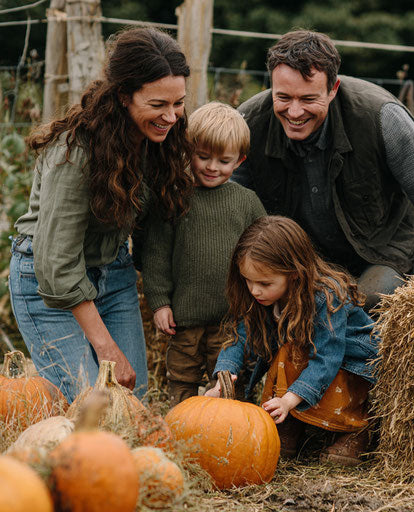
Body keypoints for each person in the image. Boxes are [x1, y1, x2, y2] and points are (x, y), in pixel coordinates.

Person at [8, 27, 194, 403]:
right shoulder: (74, 152)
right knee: (96, 407)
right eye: (158, 104)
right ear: (124, 95)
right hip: (48, 284)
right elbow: (57, 263)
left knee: (133, 406)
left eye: (179, 103)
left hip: (113, 273)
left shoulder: (158, 139)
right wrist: (107, 349)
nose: (172, 116)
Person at [232, 30, 414, 312]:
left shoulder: (382, 118)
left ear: (333, 89)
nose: (294, 112)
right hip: (300, 261)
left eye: (308, 99)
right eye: (283, 97)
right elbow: (229, 206)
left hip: (380, 253)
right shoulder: (248, 124)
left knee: (361, 305)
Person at [206, 216, 379, 464]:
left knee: (292, 348)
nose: (254, 290)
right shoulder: (260, 299)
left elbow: (327, 357)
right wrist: (225, 375)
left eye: (264, 283)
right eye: (248, 280)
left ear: (294, 274)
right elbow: (240, 337)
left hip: (348, 361)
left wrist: (288, 399)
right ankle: (292, 423)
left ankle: (356, 429)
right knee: (288, 349)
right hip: (307, 363)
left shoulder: (326, 297)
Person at [141, 102, 266, 407]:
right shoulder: (175, 198)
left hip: (231, 318)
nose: (212, 167)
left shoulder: (246, 202)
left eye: (224, 161)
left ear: (240, 161)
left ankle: (231, 432)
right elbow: (156, 254)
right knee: (181, 377)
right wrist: (159, 303)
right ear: (188, 151)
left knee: (228, 380)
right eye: (203, 157)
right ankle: (179, 429)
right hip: (183, 319)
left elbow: (265, 248)